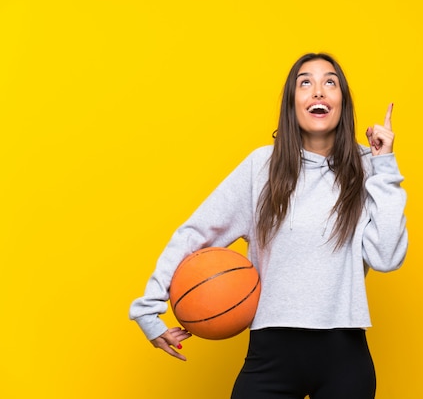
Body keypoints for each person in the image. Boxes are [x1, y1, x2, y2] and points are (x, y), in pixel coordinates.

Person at [129, 52, 408, 399]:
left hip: (345, 353)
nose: (318, 91)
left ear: (343, 102)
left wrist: (386, 168)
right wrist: (148, 308)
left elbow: (387, 257)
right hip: (271, 352)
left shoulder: (368, 167)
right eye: (305, 82)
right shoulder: (262, 167)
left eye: (330, 82)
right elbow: (194, 234)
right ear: (292, 103)